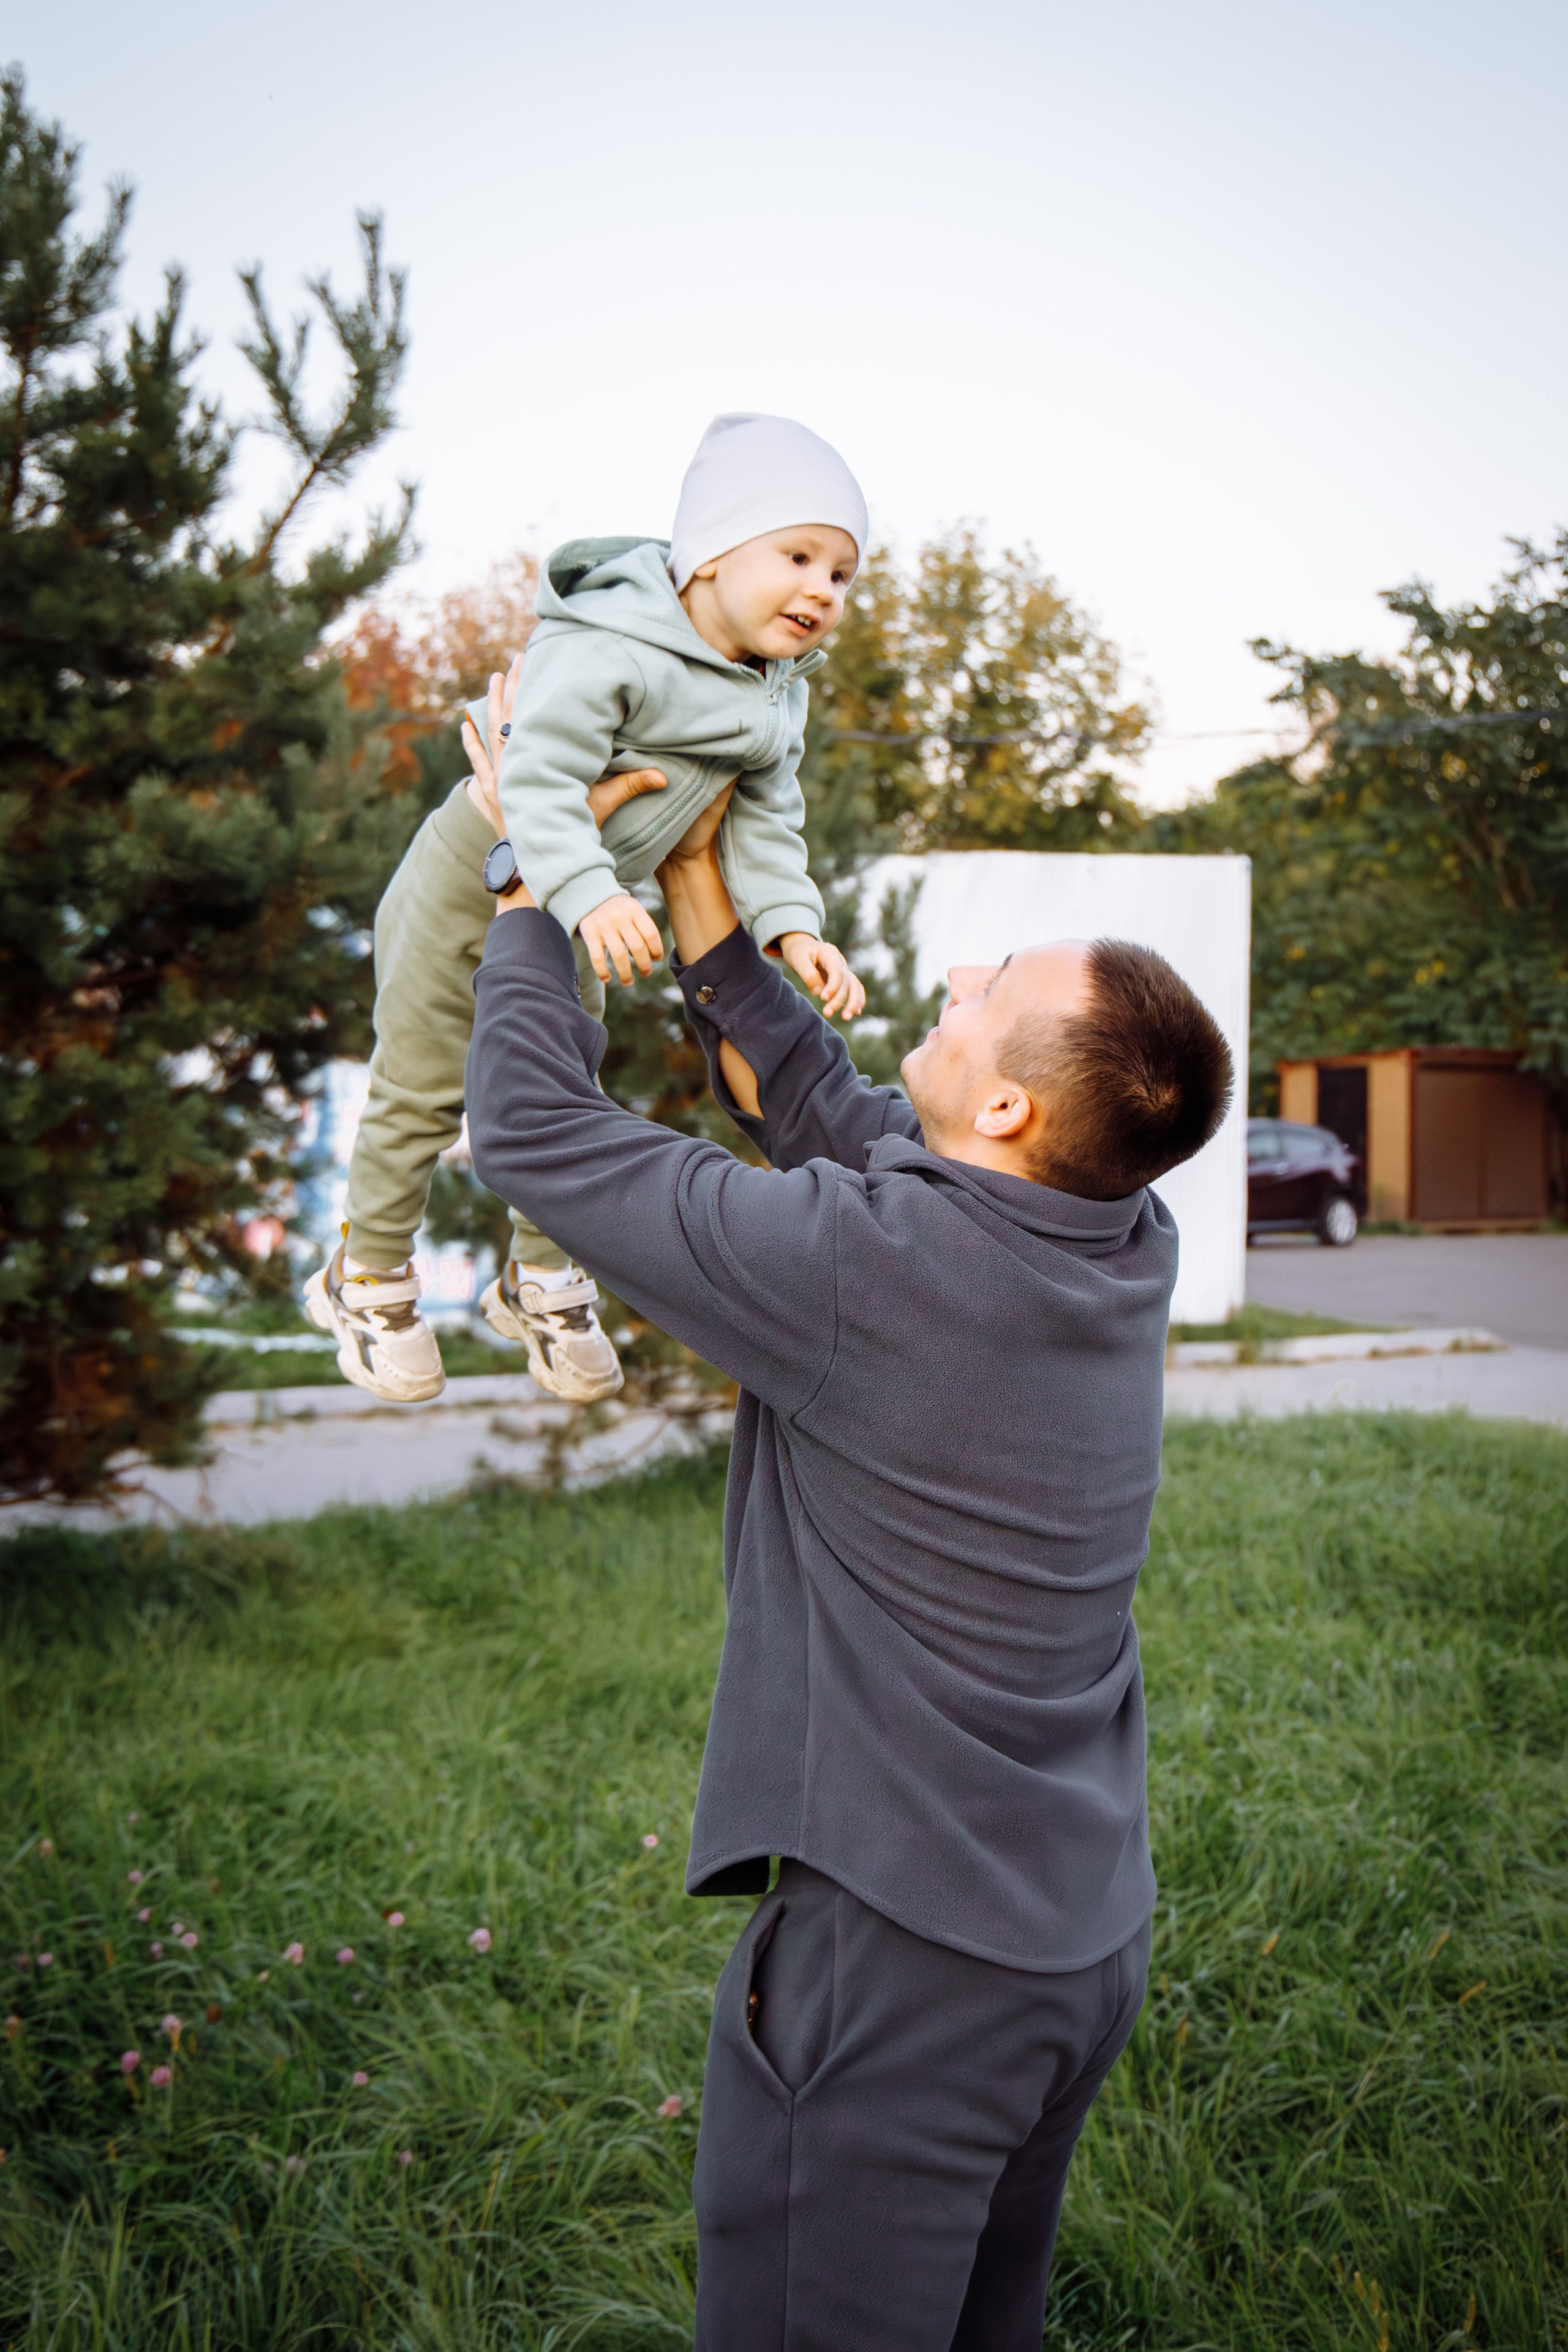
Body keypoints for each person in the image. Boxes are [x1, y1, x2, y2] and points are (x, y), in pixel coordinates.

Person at [458, 674, 1234, 2351]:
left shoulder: (866, 1277)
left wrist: (529, 876)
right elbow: (836, 1111)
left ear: (1012, 1109)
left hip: (907, 1970)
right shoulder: (1116, 1235)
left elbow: (529, 1132)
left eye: (991, 989)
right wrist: (703, 889)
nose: (956, 980)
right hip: (1072, 1944)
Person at [306, 412, 869, 1407]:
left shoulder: (776, 695)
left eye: (842, 574)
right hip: (475, 874)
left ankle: (539, 1281)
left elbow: (767, 821)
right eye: (798, 557)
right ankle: (369, 1273)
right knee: (425, 1085)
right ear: (710, 554)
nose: (823, 590)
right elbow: (537, 775)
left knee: (567, 1081)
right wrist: (594, 891)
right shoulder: (610, 642)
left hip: (576, 903)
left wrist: (795, 926)